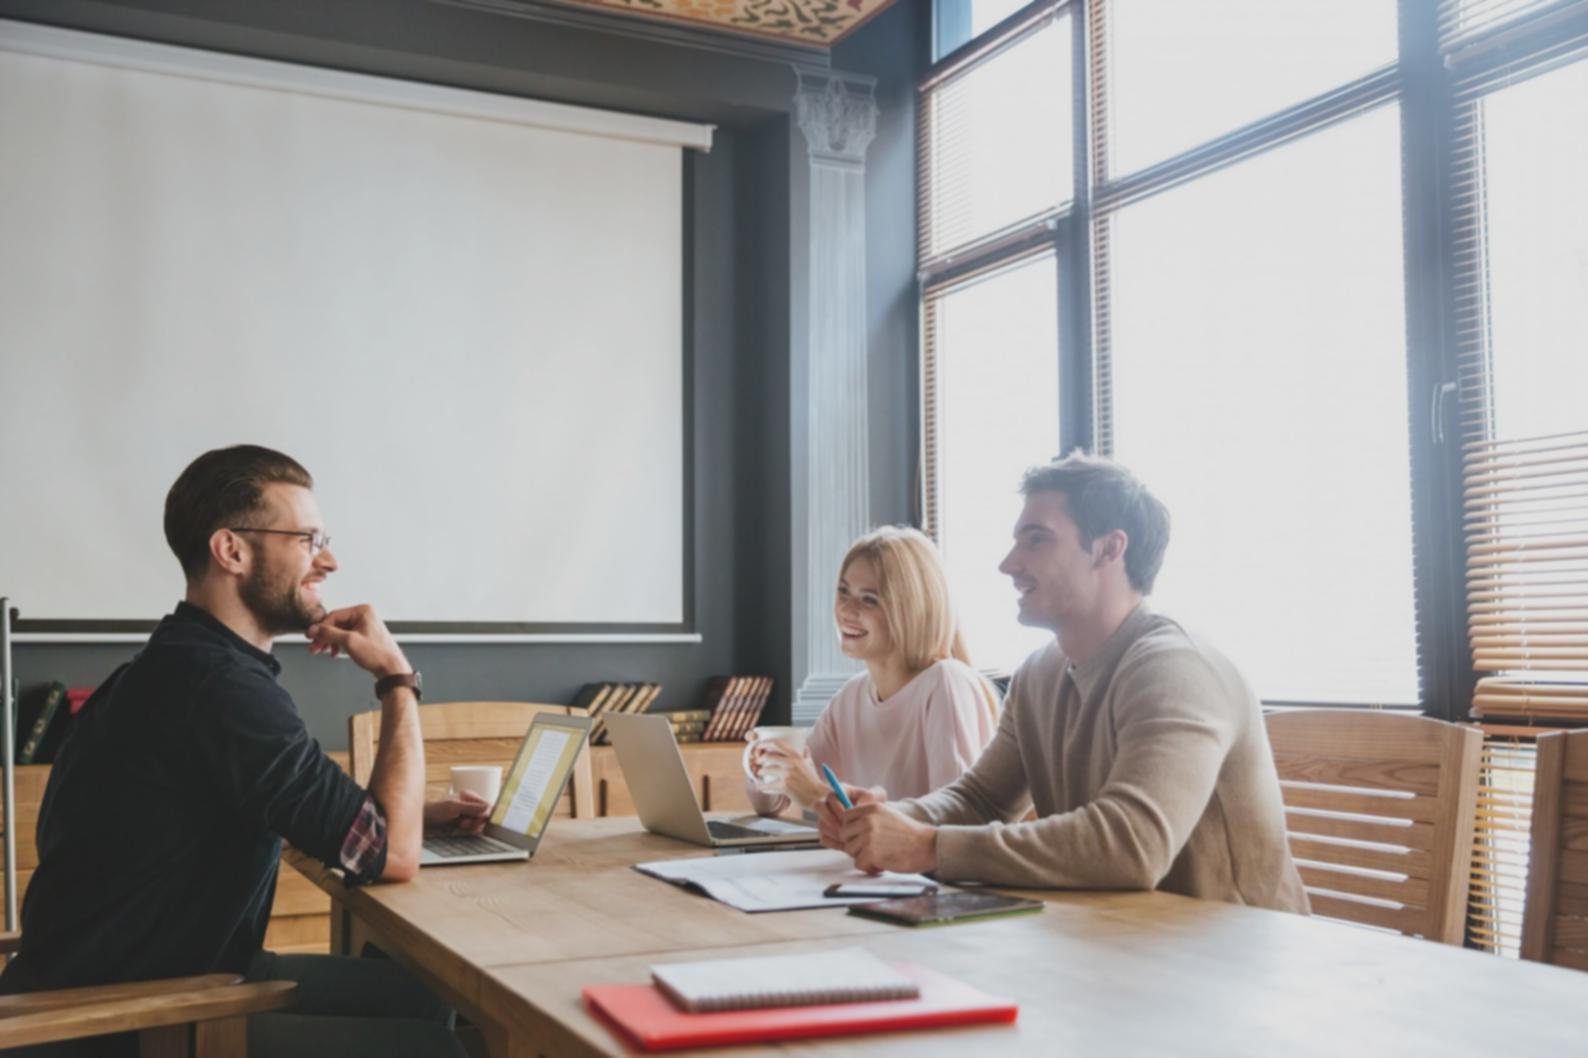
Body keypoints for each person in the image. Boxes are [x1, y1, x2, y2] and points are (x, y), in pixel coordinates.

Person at [0, 445, 485, 1057]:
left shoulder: (180, 665)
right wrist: (397, 679)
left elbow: (236, 809)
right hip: (119, 1020)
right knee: (432, 1050)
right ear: (232, 550)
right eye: (308, 540)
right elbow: (390, 856)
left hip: (164, 976)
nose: (329, 561)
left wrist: (406, 814)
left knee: (426, 995)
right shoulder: (220, 687)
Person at [817, 454, 1308, 913]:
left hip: (1235, 963)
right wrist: (888, 821)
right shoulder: (1040, 674)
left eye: (1036, 539)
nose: (1008, 564)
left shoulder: (1178, 669)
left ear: (1109, 549)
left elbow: (1131, 845)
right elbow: (980, 800)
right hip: (1122, 942)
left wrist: (927, 846)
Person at [748, 526, 997, 816]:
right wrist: (763, 771)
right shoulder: (852, 695)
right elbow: (776, 804)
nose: (846, 610)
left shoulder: (946, 682)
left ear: (911, 609)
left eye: (869, 599)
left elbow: (954, 821)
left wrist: (816, 795)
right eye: (843, 591)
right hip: (864, 862)